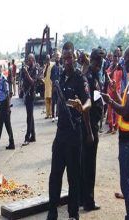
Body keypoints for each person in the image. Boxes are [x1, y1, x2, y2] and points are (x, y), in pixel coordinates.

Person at [47, 42, 91, 220]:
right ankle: (52, 211)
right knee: (55, 175)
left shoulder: (80, 78)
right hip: (61, 133)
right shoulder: (60, 76)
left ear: (73, 57)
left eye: (69, 58)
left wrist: (82, 106)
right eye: (63, 58)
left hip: (74, 133)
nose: (66, 61)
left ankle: (73, 214)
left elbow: (88, 100)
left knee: (73, 176)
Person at [102, 44, 129, 220]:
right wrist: (114, 94)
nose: (123, 60)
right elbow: (127, 105)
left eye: (126, 57)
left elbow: (126, 112)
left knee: (126, 183)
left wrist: (110, 102)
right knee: (128, 179)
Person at [80, 48, 105, 212]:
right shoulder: (88, 77)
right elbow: (86, 108)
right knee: (89, 166)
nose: (102, 64)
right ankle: (88, 201)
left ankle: (83, 198)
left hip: (92, 125)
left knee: (85, 163)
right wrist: (89, 132)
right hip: (89, 127)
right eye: (100, 61)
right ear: (97, 61)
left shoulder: (93, 75)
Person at [21, 54, 38, 146]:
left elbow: (33, 82)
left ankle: (27, 137)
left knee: (29, 117)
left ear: (33, 60)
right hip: (26, 94)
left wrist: (27, 73)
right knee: (30, 115)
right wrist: (24, 72)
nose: (28, 61)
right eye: (27, 60)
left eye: (29, 60)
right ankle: (33, 136)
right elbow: (23, 80)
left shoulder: (35, 69)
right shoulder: (28, 68)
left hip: (31, 94)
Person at [106, 48, 123, 133]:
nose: (115, 58)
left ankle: (116, 127)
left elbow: (122, 79)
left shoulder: (120, 67)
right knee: (110, 109)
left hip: (117, 90)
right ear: (112, 57)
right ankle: (110, 126)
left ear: (119, 57)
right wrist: (114, 68)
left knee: (117, 110)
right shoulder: (111, 66)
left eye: (117, 56)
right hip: (110, 90)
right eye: (114, 56)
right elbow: (108, 76)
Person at [50, 51, 62, 122]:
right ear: (55, 58)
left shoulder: (61, 67)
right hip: (54, 87)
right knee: (53, 101)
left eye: (58, 56)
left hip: (59, 87)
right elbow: (51, 77)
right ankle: (53, 116)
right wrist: (54, 84)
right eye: (56, 56)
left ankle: (57, 115)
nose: (57, 58)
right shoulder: (53, 67)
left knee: (58, 102)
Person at [44, 55, 53, 119]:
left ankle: (51, 113)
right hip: (46, 85)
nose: (47, 60)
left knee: (51, 100)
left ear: (50, 59)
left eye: (48, 59)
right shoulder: (45, 66)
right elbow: (44, 75)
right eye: (46, 59)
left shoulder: (52, 65)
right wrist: (46, 67)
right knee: (47, 100)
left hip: (51, 85)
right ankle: (47, 114)